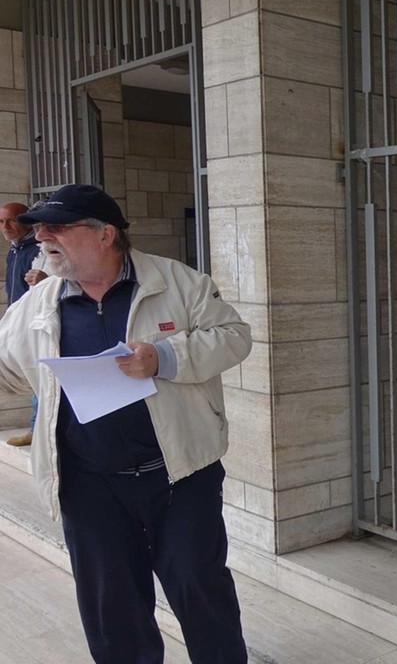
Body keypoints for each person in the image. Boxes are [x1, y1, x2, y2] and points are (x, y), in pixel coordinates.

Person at [0, 184, 251, 663]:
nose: (41, 238)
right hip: (87, 482)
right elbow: (5, 368)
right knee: (111, 606)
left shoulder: (179, 283)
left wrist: (163, 357)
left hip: (180, 473)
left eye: (56, 227)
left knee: (200, 588)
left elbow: (234, 336)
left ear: (104, 235)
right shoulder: (36, 305)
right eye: (37, 229)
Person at [1, 202, 48, 447]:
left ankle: (37, 430)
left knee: (38, 375)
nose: (5, 227)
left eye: (11, 220)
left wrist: (45, 279)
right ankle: (36, 428)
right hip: (19, 322)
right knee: (31, 378)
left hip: (38, 322)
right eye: (1, 222)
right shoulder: (15, 249)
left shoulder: (39, 249)